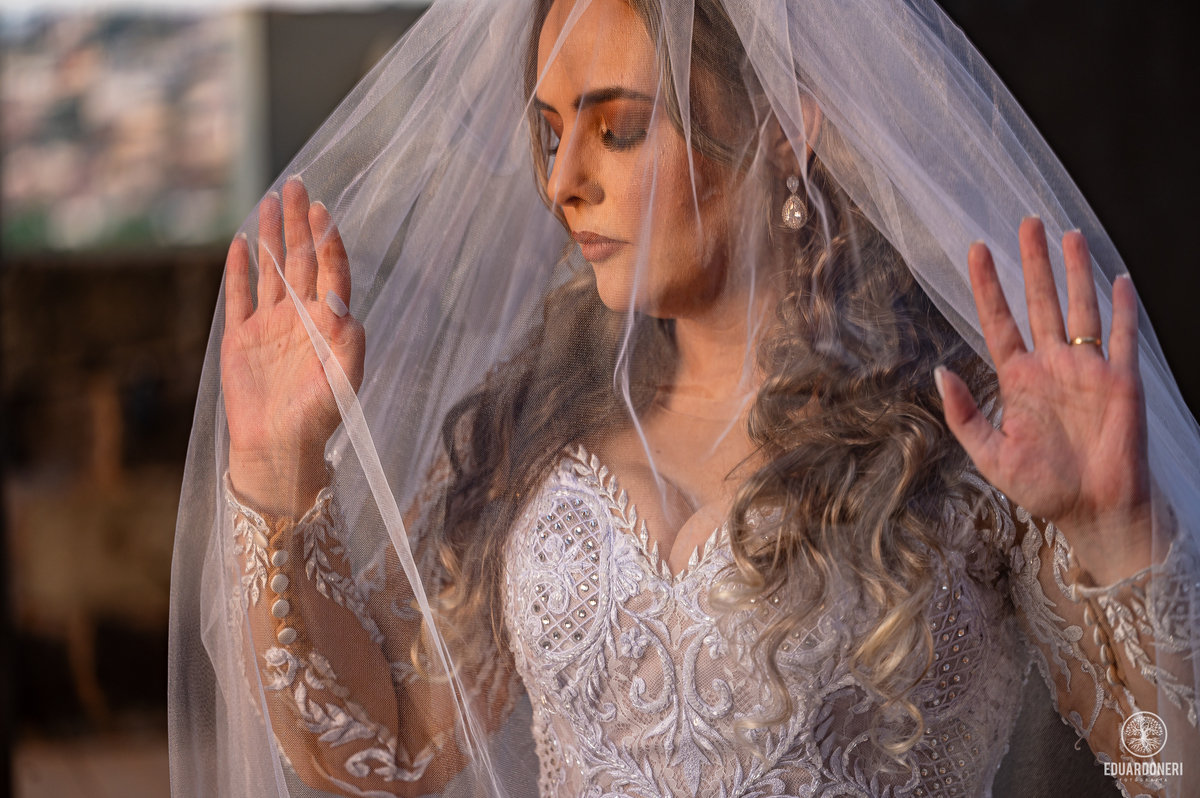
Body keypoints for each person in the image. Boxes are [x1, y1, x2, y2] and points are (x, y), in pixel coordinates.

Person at [167, 0, 1200, 796]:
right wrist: (275, 469)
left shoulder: (968, 430)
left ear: (783, 129)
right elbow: (385, 747)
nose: (564, 179)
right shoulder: (528, 424)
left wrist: (1119, 538)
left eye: (617, 128)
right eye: (549, 132)